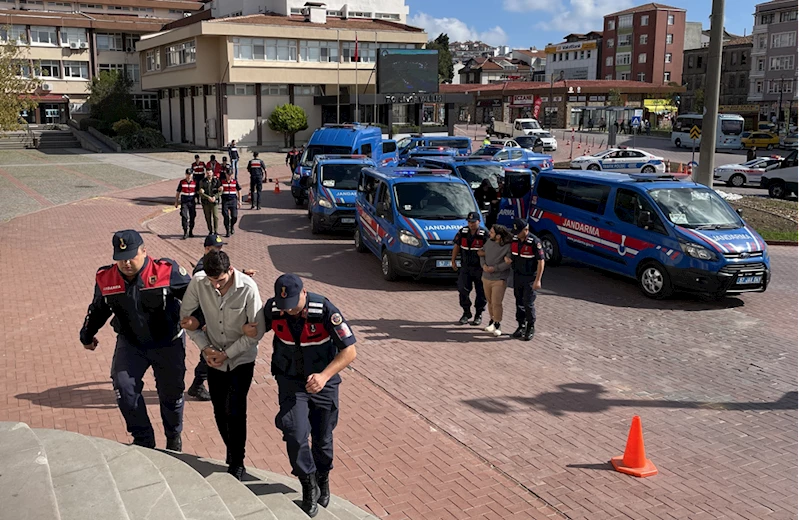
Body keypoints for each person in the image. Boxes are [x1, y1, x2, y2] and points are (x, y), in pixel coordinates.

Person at [247, 274, 357, 517]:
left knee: (323, 438)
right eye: (284, 307)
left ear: (304, 293)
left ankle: (323, 476)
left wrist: (325, 376)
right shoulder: (274, 308)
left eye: (293, 306)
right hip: (290, 380)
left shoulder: (325, 310)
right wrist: (247, 329)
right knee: (294, 433)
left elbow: (349, 351)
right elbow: (256, 329)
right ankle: (307, 483)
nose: (288, 312)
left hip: (323, 381)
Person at [80, 230, 191, 450]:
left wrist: (203, 325)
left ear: (144, 251)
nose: (126, 262)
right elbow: (98, 309)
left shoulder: (167, 271)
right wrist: (87, 335)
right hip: (132, 343)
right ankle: (144, 440)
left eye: (131, 256)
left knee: (171, 393)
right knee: (124, 388)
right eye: (121, 258)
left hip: (168, 342)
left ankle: (173, 436)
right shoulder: (106, 278)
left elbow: (195, 298)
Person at [180, 250, 265, 480]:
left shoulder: (248, 288)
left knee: (236, 410)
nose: (216, 286)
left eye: (220, 281)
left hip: (241, 358)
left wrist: (227, 354)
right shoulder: (199, 283)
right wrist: (206, 348)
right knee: (219, 409)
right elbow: (186, 320)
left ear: (230, 270)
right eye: (211, 281)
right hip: (213, 357)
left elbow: (257, 333)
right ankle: (232, 448)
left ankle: (237, 461)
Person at [186, 234, 257, 402]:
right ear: (206, 249)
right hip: (208, 318)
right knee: (210, 353)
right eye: (214, 248)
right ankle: (197, 385)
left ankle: (199, 384)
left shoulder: (215, 263)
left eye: (219, 247)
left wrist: (242, 274)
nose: (218, 250)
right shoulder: (201, 270)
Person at [506, 219, 545, 341]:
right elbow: (514, 255)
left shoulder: (534, 242)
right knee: (519, 301)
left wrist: (538, 280)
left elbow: (541, 261)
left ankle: (530, 326)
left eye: (518, 231)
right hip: (517, 275)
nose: (516, 234)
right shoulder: (515, 240)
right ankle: (521, 325)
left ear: (526, 230)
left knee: (528, 302)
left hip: (530, 277)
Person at [451, 212, 488, 326]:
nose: (471, 224)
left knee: (481, 292)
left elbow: (490, 250)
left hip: (479, 268)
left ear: (479, 222)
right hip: (466, 267)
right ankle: (466, 312)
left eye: (473, 222)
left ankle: (478, 314)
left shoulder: (484, 234)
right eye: (469, 222)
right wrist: (453, 260)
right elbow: (457, 246)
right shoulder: (463, 232)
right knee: (462, 289)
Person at [479, 224, 513, 337]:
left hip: (499, 278)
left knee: (496, 302)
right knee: (489, 301)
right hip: (486, 277)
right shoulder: (489, 242)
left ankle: (498, 323)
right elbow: (482, 253)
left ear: (498, 236)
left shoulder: (508, 246)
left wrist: (495, 268)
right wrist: (483, 265)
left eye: (492, 233)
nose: (489, 234)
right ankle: (491, 321)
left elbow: (507, 263)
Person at [199, 167, 222, 234]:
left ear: (212, 173)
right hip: (206, 202)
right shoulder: (202, 181)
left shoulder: (216, 181)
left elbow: (220, 191)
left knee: (215, 216)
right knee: (207, 217)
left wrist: (215, 197)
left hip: (214, 202)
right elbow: (200, 192)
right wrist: (207, 197)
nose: (209, 174)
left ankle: (216, 231)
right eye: (208, 173)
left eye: (210, 173)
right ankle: (210, 230)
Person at [175, 168, 197, 239]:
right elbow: (178, 192)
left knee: (192, 217)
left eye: (190, 174)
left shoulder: (195, 182)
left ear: (192, 174)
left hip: (192, 202)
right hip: (184, 202)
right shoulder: (182, 182)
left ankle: (191, 231)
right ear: (185, 174)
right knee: (184, 216)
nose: (189, 176)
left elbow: (198, 192)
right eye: (187, 174)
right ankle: (185, 232)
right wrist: (176, 201)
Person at [220, 168, 242, 237]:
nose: (229, 176)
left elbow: (239, 191)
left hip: (233, 200)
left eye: (230, 175)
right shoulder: (222, 181)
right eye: (228, 174)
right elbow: (218, 189)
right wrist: (219, 189)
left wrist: (240, 201)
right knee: (226, 216)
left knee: (234, 216)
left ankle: (232, 225)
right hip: (225, 201)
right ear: (226, 174)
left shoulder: (235, 182)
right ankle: (227, 231)